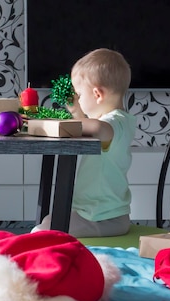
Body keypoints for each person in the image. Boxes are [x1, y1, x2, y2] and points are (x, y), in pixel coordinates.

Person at [32, 48, 136, 237]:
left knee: (40, 232)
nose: (78, 99)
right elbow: (92, 126)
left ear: (97, 94)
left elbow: (97, 128)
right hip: (98, 214)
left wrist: (62, 124)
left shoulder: (116, 122)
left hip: (102, 218)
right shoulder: (121, 120)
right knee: (50, 220)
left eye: (79, 95)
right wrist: (75, 110)